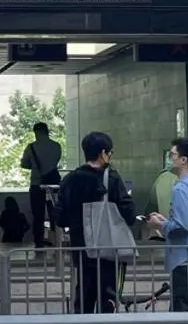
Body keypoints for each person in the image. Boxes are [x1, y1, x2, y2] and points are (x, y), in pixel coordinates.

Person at [56, 131, 137, 313]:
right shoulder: (111, 179)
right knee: (108, 300)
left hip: (81, 251)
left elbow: (60, 218)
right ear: (103, 153)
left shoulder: (69, 180)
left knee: (83, 297)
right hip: (108, 252)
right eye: (110, 153)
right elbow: (129, 213)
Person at [147, 137, 188, 312]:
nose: (170, 158)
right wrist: (165, 221)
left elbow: (181, 227)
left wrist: (158, 225)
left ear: (184, 160)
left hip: (186, 261)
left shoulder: (180, 189)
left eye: (172, 154)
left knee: (184, 314)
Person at [19, 121, 62, 249]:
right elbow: (56, 161)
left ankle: (39, 242)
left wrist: (34, 166)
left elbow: (24, 164)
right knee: (54, 212)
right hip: (54, 184)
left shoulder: (31, 147)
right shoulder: (56, 146)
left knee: (38, 215)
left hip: (37, 184)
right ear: (47, 131)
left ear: (36, 132)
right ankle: (56, 240)